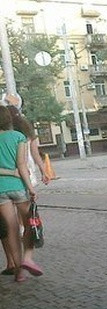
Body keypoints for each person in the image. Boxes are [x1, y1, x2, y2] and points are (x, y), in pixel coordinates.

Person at [0, 98, 49, 275]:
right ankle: (27, 259)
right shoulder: (18, 137)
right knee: (29, 221)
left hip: (0, 190)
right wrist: (31, 188)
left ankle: (18, 271)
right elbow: (22, 166)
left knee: (11, 229)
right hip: (19, 187)